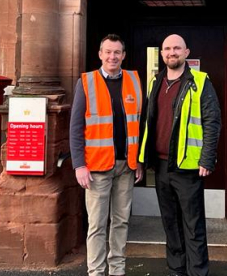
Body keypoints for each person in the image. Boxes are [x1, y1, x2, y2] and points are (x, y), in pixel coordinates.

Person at [138, 34, 222, 276]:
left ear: (186, 52)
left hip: (188, 166)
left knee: (193, 225)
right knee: (170, 223)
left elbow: (212, 121)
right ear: (162, 53)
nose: (171, 52)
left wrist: (207, 158)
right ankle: (177, 270)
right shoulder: (156, 81)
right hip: (161, 166)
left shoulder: (200, 81)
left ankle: (197, 272)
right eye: (167, 48)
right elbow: (148, 122)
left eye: (176, 48)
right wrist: (143, 159)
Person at [70, 34, 143, 276]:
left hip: (127, 166)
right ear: (100, 54)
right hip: (96, 168)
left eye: (117, 52)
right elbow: (75, 127)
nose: (112, 56)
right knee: (97, 225)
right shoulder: (86, 82)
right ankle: (96, 272)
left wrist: (139, 161)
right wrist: (79, 164)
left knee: (121, 222)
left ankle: (117, 270)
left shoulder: (134, 79)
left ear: (123, 55)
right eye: (108, 52)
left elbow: (139, 125)